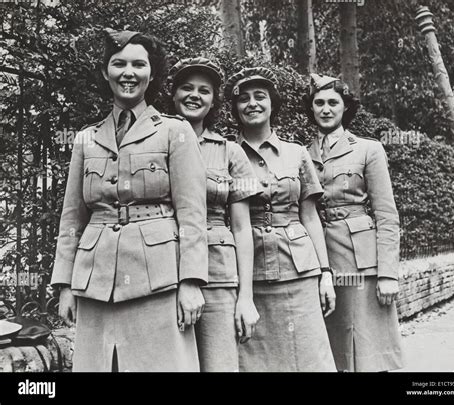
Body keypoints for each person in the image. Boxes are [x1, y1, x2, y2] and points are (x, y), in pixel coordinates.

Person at [50, 29, 208, 372]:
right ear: (106, 72)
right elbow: (72, 217)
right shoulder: (85, 139)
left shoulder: (174, 132)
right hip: (95, 284)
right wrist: (64, 285)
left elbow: (192, 214)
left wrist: (192, 282)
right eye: (118, 63)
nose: (128, 72)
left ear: (151, 74)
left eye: (139, 64)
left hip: (158, 281)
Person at [224, 67, 337, 372]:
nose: (252, 104)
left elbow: (311, 216)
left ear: (273, 104)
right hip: (251, 276)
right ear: (235, 108)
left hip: (300, 271)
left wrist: (326, 272)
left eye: (260, 97)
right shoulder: (225, 154)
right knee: (256, 362)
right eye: (243, 99)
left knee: (310, 358)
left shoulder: (296, 153)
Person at [304, 73, 404, 372]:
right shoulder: (301, 153)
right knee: (331, 349)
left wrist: (388, 273)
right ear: (310, 108)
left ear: (345, 107)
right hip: (319, 259)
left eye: (333, 102)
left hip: (361, 260)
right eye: (318, 102)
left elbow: (386, 214)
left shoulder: (367, 149)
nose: (325, 109)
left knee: (368, 348)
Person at [169, 57, 260, 372]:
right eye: (186, 88)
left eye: (204, 90)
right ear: (173, 93)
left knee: (219, 364)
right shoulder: (153, 144)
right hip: (164, 273)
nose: (194, 95)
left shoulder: (230, 152)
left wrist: (245, 297)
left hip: (218, 276)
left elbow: (242, 227)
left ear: (213, 101)